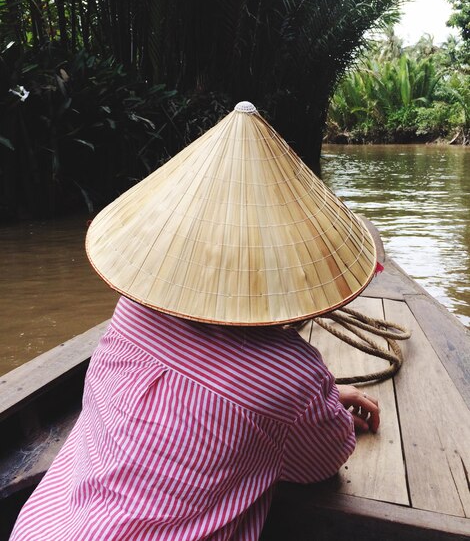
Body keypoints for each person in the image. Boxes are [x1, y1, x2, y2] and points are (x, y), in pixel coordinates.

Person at [10, 102, 380, 541]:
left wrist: (316, 397)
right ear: (286, 262)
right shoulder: (293, 375)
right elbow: (323, 462)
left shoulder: (132, 311)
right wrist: (323, 404)